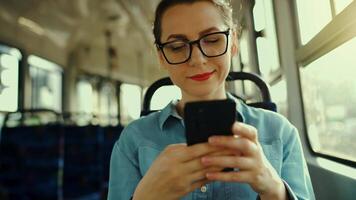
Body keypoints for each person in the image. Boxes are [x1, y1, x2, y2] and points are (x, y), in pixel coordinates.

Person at [108, 0, 315, 199]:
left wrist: (274, 190)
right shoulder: (133, 140)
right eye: (177, 46)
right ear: (161, 57)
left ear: (233, 43)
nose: (198, 59)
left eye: (213, 39)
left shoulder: (280, 133)